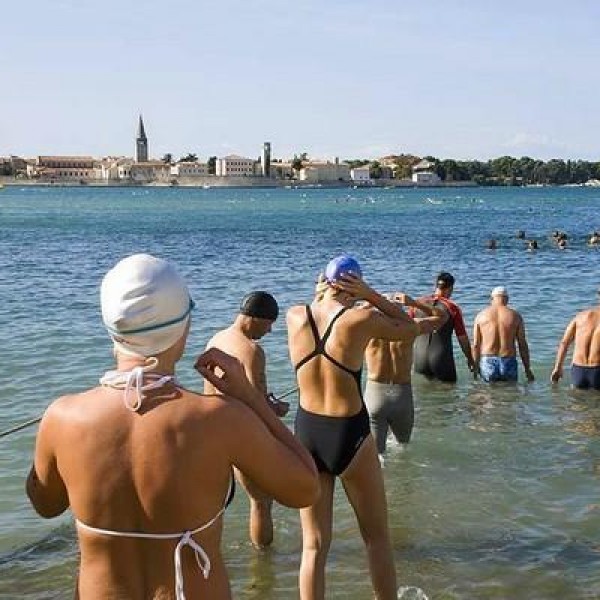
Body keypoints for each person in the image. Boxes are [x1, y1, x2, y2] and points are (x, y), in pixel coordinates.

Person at [26, 254, 318, 600]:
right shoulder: (220, 419)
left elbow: (45, 504)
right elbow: (305, 488)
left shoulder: (63, 416)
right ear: (183, 327)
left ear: (111, 328)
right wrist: (252, 400)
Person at [287, 254, 419, 600]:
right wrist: (372, 295)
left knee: (313, 546)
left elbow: (320, 308)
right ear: (353, 284)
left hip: (307, 432)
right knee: (376, 538)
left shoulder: (294, 315)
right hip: (349, 431)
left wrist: (326, 294)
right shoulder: (359, 319)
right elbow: (410, 327)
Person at [204, 290, 288, 549]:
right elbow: (257, 406)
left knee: (212, 505)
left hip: (212, 432)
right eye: (269, 324)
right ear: (255, 318)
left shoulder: (215, 339)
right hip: (241, 434)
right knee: (261, 502)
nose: (269, 332)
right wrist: (276, 409)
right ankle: (264, 565)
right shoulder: (251, 350)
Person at [364, 293, 447, 458]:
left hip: (375, 394)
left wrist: (368, 303)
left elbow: (339, 317)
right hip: (401, 393)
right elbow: (442, 317)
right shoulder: (411, 326)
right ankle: (404, 483)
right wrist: (415, 303)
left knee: (376, 456)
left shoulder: (367, 328)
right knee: (403, 450)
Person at [413, 271, 477, 383]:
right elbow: (462, 338)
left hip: (419, 358)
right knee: (449, 394)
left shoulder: (417, 304)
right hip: (441, 360)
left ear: (436, 285)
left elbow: (407, 329)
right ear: (450, 288)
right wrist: (470, 359)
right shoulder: (452, 308)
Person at [472, 286, 535, 383]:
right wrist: (527, 369)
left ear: (492, 299)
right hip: (508, 361)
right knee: (510, 395)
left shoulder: (480, 316)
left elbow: (476, 345)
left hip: (488, 361)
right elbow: (522, 344)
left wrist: (475, 367)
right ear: (507, 299)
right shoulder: (515, 316)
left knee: (488, 395)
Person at [551, 289, 600, 390]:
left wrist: (558, 367)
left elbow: (564, 343)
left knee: (576, 404)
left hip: (578, 369)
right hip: (597, 370)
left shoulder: (580, 316)